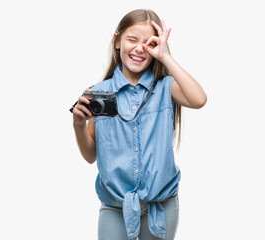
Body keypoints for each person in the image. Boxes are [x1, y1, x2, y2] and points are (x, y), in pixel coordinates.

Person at [71, 9, 207, 240]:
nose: (139, 49)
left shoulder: (166, 88)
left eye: (148, 43)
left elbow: (199, 99)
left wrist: (165, 56)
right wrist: (78, 124)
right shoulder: (98, 94)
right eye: (131, 40)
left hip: (161, 206)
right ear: (117, 42)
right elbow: (90, 155)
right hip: (115, 207)